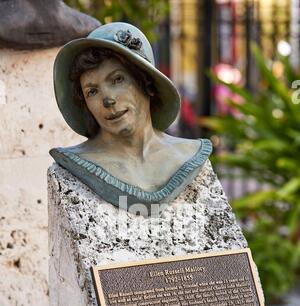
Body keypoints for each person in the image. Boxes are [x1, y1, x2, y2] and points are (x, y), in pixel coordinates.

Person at [50, 22, 213, 214]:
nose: (108, 100)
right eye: (92, 91)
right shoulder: (75, 165)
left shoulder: (189, 154)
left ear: (147, 84)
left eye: (117, 79)